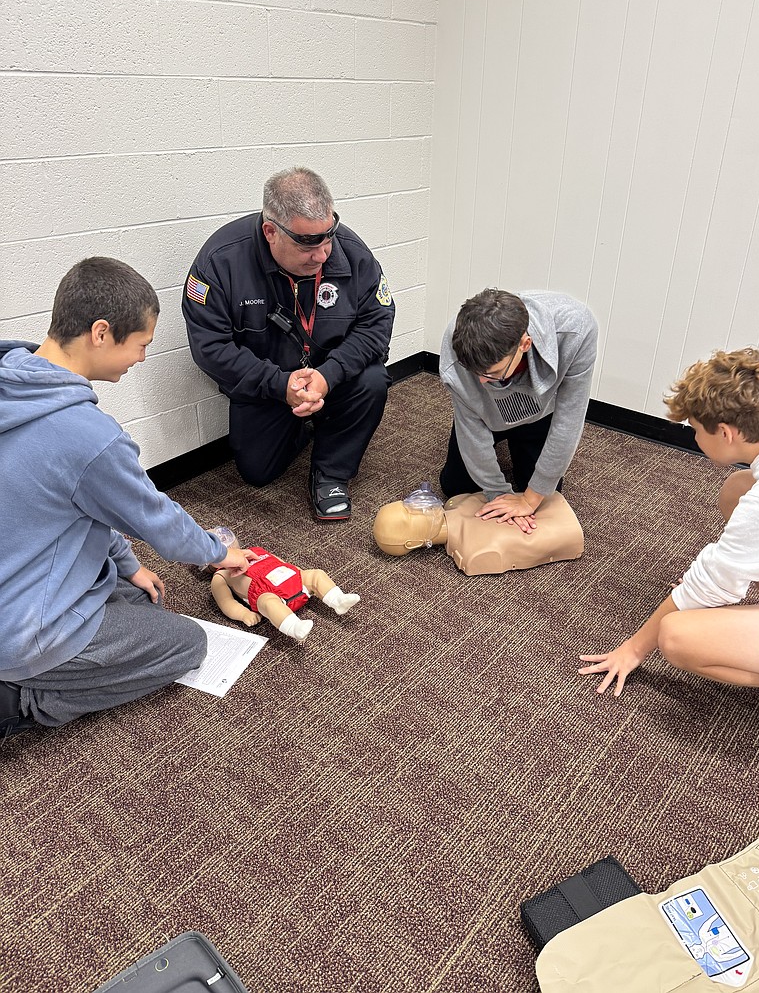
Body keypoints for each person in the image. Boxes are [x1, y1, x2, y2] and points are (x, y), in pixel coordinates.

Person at [0, 257, 255, 738]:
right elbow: (156, 518)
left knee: (142, 595)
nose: (141, 359)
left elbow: (83, 504)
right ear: (101, 333)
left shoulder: (14, 382)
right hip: (20, 635)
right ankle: (26, 699)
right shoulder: (87, 436)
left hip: (16, 574)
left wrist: (125, 562)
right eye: (140, 345)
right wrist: (219, 552)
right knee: (186, 643)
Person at [578, 348, 759, 742]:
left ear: (727, 432)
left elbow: (709, 584)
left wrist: (633, 648)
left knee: (677, 637)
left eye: (697, 429)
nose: (695, 438)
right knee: (737, 488)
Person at [182, 166, 396, 521]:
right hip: (269, 383)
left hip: (334, 376)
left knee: (372, 381)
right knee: (258, 472)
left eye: (328, 237)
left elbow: (377, 322)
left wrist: (329, 375)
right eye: (307, 245)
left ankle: (331, 473)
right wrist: (281, 386)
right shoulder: (220, 262)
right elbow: (210, 347)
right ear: (271, 231)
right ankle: (305, 423)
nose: (323, 254)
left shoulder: (353, 253)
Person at [438, 289, 597, 533]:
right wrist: (497, 494)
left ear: (525, 344)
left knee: (546, 496)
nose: (481, 382)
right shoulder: (458, 346)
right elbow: (471, 429)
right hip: (486, 416)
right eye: (476, 373)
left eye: (492, 373)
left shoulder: (575, 330)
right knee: (456, 487)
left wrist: (529, 499)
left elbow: (568, 420)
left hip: (540, 412)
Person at [373, 488, 584, 576]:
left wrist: (529, 501)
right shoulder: (473, 553)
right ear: (413, 543)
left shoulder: (457, 501)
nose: (416, 506)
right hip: (563, 528)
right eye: (408, 514)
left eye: (405, 503)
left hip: (547, 503)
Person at [210, 541, 360, 645]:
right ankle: (294, 627)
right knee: (268, 603)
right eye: (211, 541)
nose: (222, 539)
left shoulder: (256, 551)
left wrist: (300, 574)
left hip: (294, 579)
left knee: (317, 574)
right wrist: (243, 614)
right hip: (269, 594)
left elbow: (281, 562)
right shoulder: (221, 574)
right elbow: (226, 602)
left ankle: (338, 600)